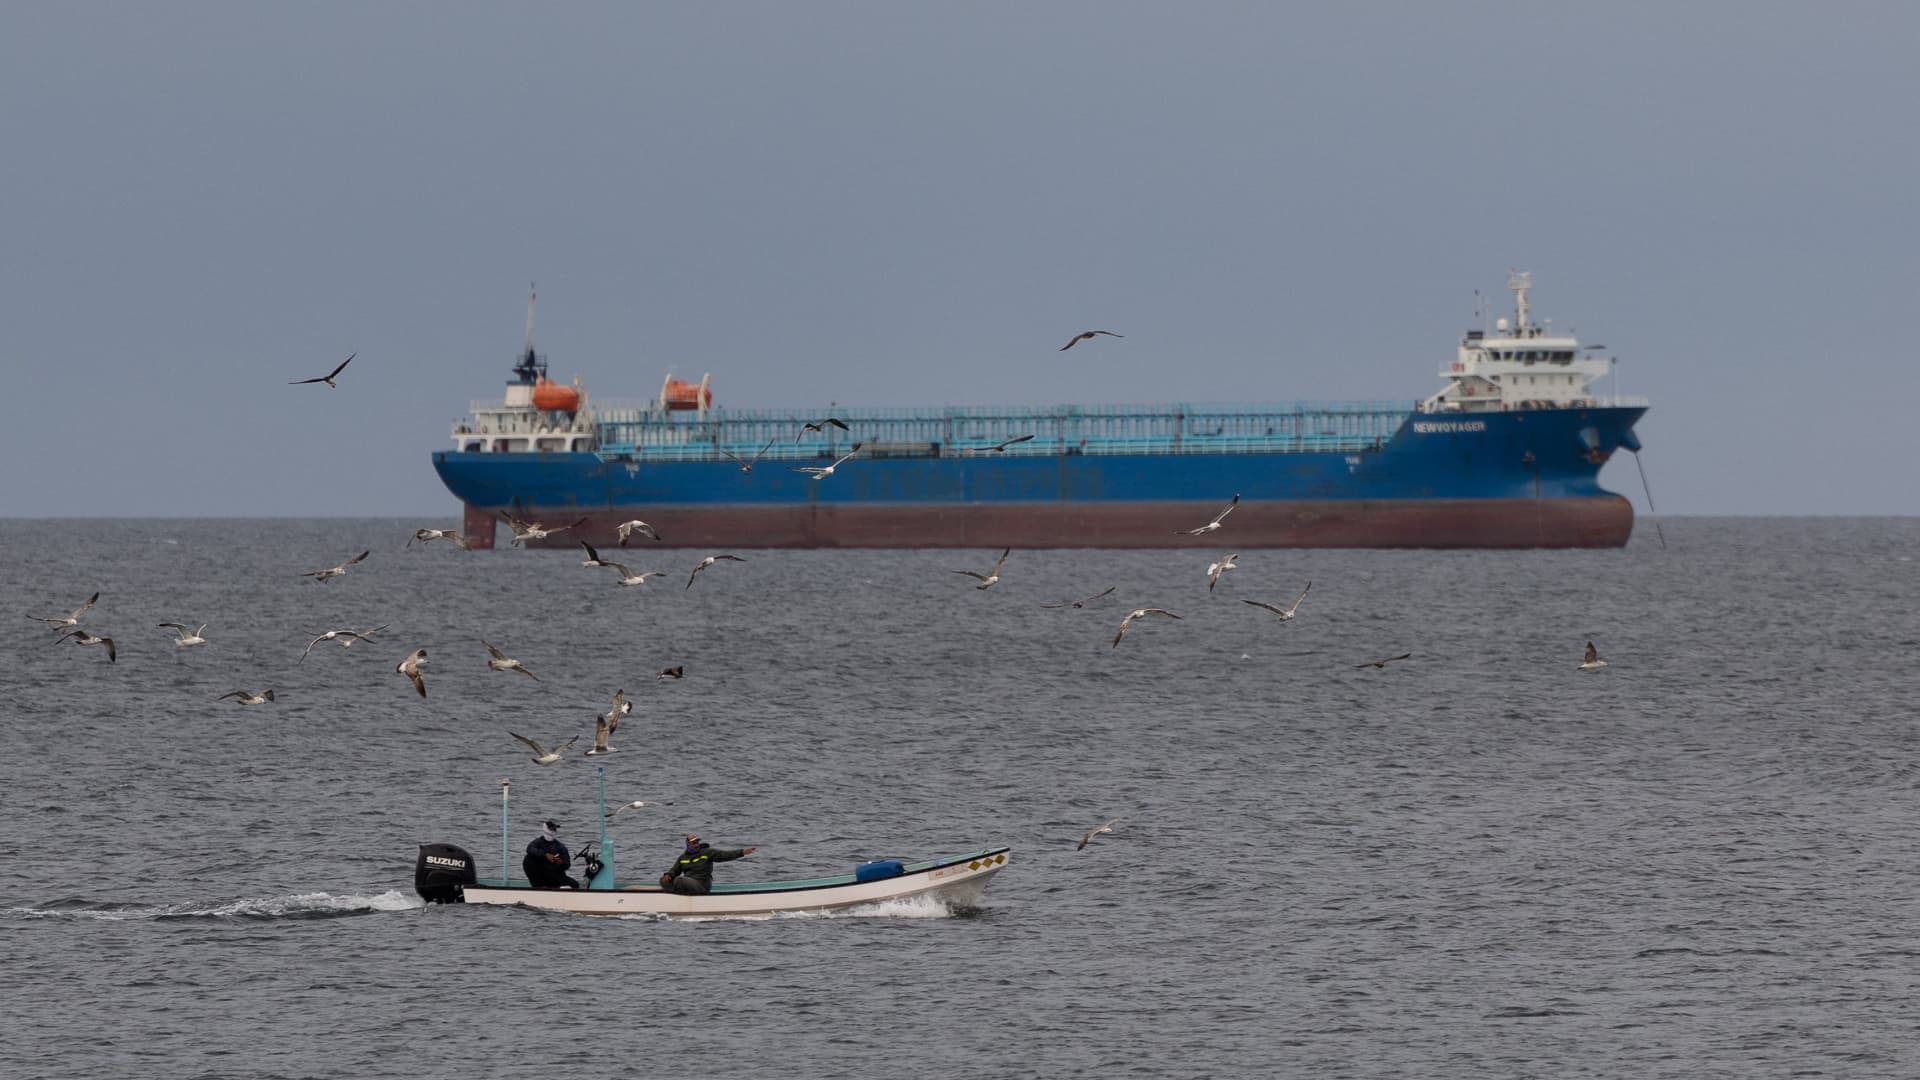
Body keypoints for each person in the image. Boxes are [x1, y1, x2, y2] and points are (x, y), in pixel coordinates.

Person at [658, 834, 755, 895]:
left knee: (680, 880)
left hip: (702, 884)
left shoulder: (707, 852)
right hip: (688, 882)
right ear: (688, 845)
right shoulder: (683, 857)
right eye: (693, 843)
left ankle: (675, 895)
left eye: (697, 842)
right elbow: (675, 870)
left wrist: (742, 852)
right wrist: (668, 875)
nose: (696, 844)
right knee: (663, 880)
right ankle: (675, 895)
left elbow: (725, 855)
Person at [522, 819, 580, 889]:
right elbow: (530, 849)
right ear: (545, 829)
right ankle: (537, 887)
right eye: (551, 829)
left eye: (554, 829)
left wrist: (561, 863)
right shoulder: (538, 842)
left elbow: (567, 864)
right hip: (540, 874)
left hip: (554, 874)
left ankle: (556, 888)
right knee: (528, 858)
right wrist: (545, 855)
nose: (553, 831)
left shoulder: (560, 846)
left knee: (575, 885)